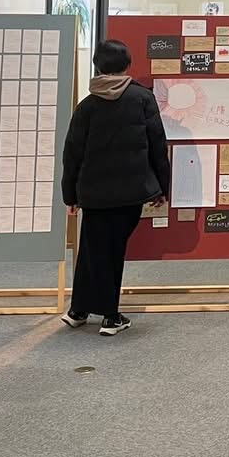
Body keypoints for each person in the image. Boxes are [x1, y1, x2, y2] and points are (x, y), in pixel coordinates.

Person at [60, 38, 171, 336]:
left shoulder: (86, 106)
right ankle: (110, 316)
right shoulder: (142, 98)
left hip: (93, 193)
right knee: (112, 250)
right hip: (130, 191)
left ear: (98, 66)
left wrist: (70, 195)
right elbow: (157, 146)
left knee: (92, 248)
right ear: (127, 65)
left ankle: (78, 310)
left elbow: (72, 154)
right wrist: (163, 188)